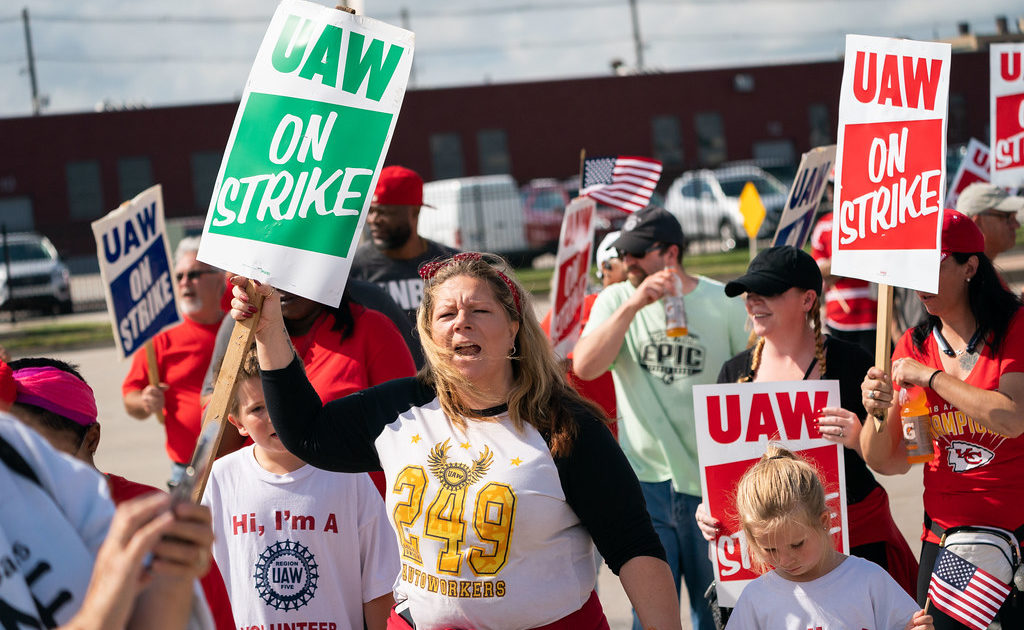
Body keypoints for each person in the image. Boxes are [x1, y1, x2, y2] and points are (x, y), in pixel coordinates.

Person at [230, 252, 679, 630]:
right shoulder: (398, 410)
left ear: (514, 326)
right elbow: (306, 434)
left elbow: (633, 546)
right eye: (446, 314)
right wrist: (269, 328)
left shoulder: (565, 426)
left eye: (480, 311)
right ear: (429, 331)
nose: (461, 324)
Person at [698, 246, 917, 596]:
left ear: (807, 300)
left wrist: (859, 437)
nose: (753, 301)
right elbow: (724, 475)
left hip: (853, 543)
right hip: (772, 560)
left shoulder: (852, 363)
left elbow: (898, 463)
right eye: (748, 294)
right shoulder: (734, 372)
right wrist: (708, 510)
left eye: (766, 292)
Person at [573, 206, 748, 630]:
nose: (627, 262)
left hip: (713, 485)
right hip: (645, 485)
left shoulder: (721, 301)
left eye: (637, 253)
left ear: (670, 254)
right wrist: (633, 304)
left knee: (720, 610)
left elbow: (746, 384)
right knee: (651, 615)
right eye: (624, 253)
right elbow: (585, 366)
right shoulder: (616, 299)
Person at [861, 209, 1024, 629]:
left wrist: (931, 378)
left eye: (931, 265)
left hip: (1018, 536)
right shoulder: (911, 347)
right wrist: (878, 411)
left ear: (970, 266)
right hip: (948, 541)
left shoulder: (1014, 326)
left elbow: (1011, 417)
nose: (918, 283)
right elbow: (900, 458)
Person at [6, 356, 236, 630]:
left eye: (46, 461)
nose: (27, 481)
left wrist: (171, 581)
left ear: (92, 439)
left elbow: (215, 616)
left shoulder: (152, 519)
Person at [202, 348, 399, 630]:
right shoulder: (221, 479)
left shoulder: (348, 473)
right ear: (237, 423)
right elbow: (198, 580)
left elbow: (379, 582)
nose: (274, 415)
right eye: (257, 408)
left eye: (280, 400)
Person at [203, 287, 416, 494]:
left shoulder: (374, 328)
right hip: (264, 502)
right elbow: (213, 444)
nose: (283, 287)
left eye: (293, 272)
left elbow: (408, 430)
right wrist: (251, 328)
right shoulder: (241, 328)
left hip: (356, 509)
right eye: (275, 276)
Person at [723, 445, 932, 630]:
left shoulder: (868, 579)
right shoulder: (755, 599)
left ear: (824, 521)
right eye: (770, 550)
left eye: (797, 544)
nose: (784, 560)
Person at [122, 237, 226, 486]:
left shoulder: (240, 328)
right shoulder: (160, 340)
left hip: (241, 462)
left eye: (194, 274)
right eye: (178, 276)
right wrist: (145, 400)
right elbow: (130, 396)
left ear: (219, 278)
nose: (184, 283)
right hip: (186, 472)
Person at [539, 230, 626, 436]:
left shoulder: (662, 310)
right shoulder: (578, 311)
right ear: (606, 268)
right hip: (595, 436)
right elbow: (541, 364)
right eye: (625, 258)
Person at [350, 165, 458, 327]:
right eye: (370, 211)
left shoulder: (451, 264)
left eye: (384, 212)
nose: (373, 220)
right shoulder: (353, 270)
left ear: (414, 212)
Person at [810, 207, 878, 355]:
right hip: (838, 318)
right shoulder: (824, 225)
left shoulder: (874, 217)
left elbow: (877, 261)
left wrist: (836, 268)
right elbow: (818, 271)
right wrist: (853, 257)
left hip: (875, 314)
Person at [955, 183, 1023, 263]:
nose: (1017, 225)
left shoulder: (968, 270)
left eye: (1014, 216)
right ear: (977, 223)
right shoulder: (964, 273)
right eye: (1008, 217)